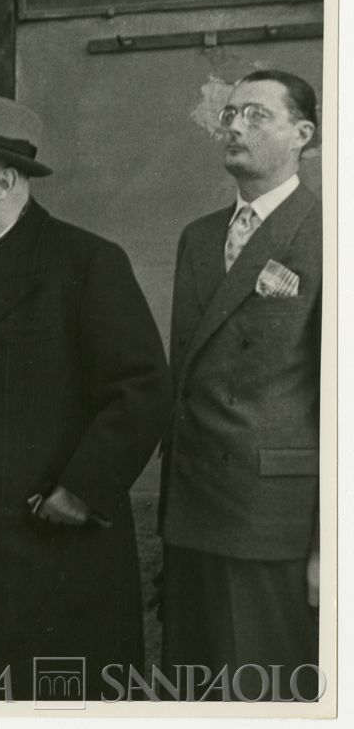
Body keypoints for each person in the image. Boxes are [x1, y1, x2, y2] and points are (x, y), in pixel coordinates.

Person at [0, 95, 170, 700]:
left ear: (5, 182)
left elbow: (142, 389)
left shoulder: (87, 262)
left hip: (43, 548)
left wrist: (81, 489)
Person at [159, 70, 322, 700]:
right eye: (229, 114)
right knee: (193, 691)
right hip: (191, 511)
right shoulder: (199, 237)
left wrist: (330, 549)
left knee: (262, 693)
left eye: (257, 115)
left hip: (272, 523)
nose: (235, 127)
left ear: (302, 134)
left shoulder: (329, 233)